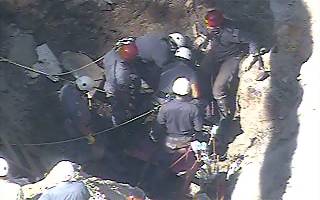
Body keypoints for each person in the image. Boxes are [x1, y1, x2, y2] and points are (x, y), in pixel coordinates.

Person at [194, 9, 258, 119]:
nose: (208, 28)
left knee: (218, 89)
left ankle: (225, 115)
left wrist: (253, 55)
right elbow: (206, 32)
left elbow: (252, 39)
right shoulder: (213, 28)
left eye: (211, 27)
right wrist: (202, 39)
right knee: (200, 72)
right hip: (216, 54)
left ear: (218, 26)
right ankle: (205, 100)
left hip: (231, 57)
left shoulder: (230, 32)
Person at [156, 77, 203, 150]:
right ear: (189, 91)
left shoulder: (164, 107)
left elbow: (159, 125)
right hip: (186, 141)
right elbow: (198, 128)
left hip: (168, 141)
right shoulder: (194, 108)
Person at [103, 37, 139, 125]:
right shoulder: (121, 72)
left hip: (110, 83)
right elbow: (123, 86)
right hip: (116, 91)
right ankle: (119, 124)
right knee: (120, 107)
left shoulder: (111, 54)